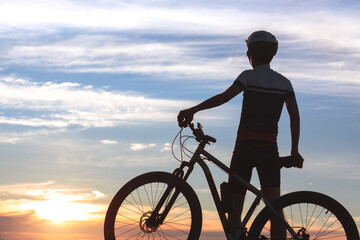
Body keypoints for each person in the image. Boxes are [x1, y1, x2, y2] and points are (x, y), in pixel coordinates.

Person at [177, 30, 304, 239]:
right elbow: (295, 117)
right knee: (275, 207)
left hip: (245, 146)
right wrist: (294, 150)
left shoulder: (248, 76)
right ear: (272, 55)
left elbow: (224, 97)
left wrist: (193, 110)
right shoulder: (284, 83)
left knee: (235, 205)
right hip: (269, 148)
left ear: (250, 54)